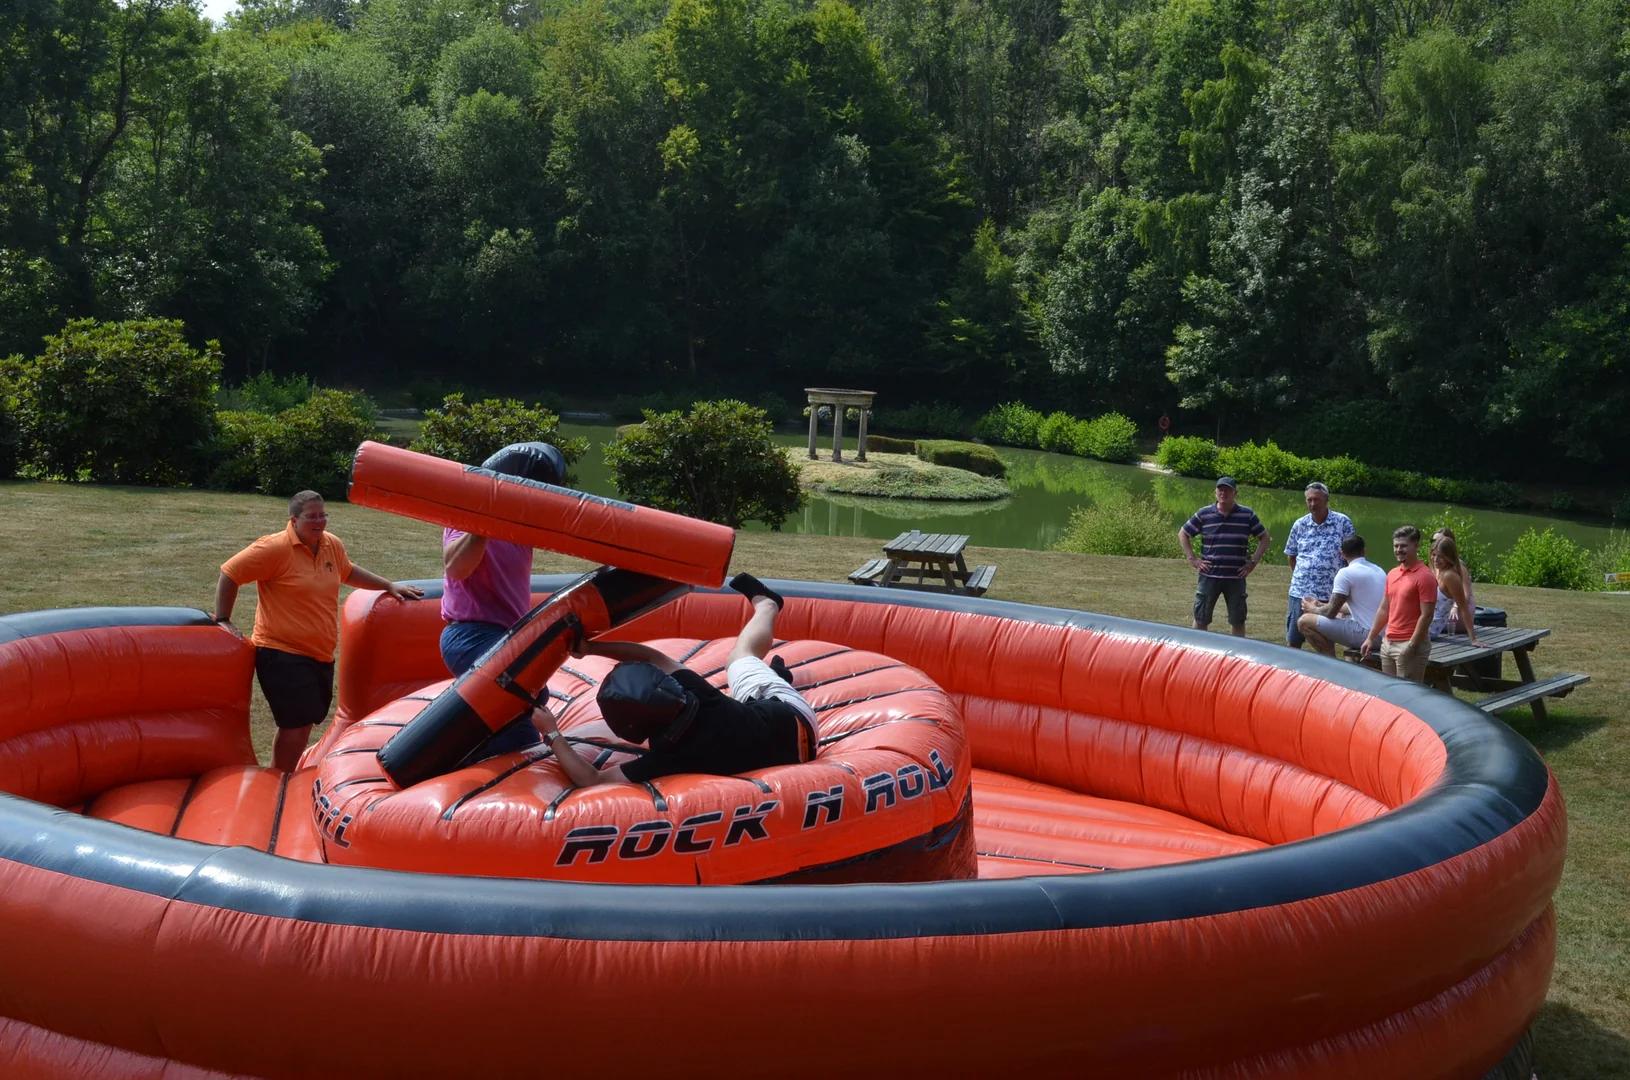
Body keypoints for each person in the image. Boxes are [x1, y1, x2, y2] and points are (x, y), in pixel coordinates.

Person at [539, 573, 817, 787]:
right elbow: (650, 656)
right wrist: (591, 648)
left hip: (789, 733)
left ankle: (770, 609)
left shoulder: (669, 758)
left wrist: (551, 733)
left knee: (741, 665)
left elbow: (591, 779)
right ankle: (767, 612)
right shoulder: (701, 697)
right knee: (739, 659)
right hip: (792, 723)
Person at [216, 490, 424, 771]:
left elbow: (347, 571)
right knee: (295, 725)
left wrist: (388, 585)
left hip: (320, 653)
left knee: (305, 723)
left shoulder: (330, 544)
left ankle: (280, 775)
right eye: (311, 517)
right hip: (281, 651)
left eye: (323, 515)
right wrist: (223, 618)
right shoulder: (273, 548)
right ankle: (280, 780)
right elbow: (230, 573)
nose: (319, 521)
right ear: (294, 520)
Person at [440, 442, 568, 675]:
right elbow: (456, 568)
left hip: (509, 634)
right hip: (471, 636)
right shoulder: (467, 516)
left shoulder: (521, 526)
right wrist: (484, 525)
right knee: (519, 684)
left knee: (534, 686)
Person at [1178, 477, 1271, 637]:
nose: (1223, 493)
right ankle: (1197, 649)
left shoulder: (1247, 515)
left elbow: (1265, 538)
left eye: (1227, 490)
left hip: (1236, 578)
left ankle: (1236, 651)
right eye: (1220, 489)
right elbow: (1183, 533)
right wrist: (1192, 559)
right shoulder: (1204, 513)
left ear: (1235, 493)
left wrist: (1253, 562)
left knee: (1238, 620)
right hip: (1209, 575)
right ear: (1215, 492)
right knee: (1201, 618)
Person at [1282, 481, 1354, 649]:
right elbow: (1292, 555)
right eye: (1309, 500)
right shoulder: (1300, 524)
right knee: (1293, 640)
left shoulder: (1342, 522)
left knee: (1325, 639)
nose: (1313, 504)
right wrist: (1302, 577)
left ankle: (1327, 665)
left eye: (1317, 500)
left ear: (1326, 500)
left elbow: (1351, 557)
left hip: (1329, 593)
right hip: (1300, 592)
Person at [1361, 526, 1437, 682]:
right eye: (1396, 546)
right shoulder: (1392, 574)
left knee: (1409, 694)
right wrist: (1370, 638)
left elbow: (1427, 615)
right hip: (1388, 643)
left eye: (1403, 546)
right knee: (1389, 692)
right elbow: (1384, 609)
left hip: (1410, 644)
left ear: (1416, 546)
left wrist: (1412, 646)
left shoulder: (1425, 577)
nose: (1398, 550)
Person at [1296, 534, 1387, 657]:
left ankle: (1331, 661)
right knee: (1341, 614)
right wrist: (1321, 605)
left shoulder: (1345, 573)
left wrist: (1312, 608)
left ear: (1342, 554)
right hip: (1383, 633)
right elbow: (1357, 606)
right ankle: (1346, 661)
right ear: (1364, 551)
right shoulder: (1378, 570)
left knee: (1304, 621)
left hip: (1369, 636)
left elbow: (1330, 613)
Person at [1428, 533, 1480, 645]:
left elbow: (1464, 608)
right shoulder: (1438, 571)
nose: (1435, 559)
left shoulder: (1450, 576)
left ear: (1449, 557)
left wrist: (1473, 639)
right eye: (1434, 555)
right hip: (1425, 620)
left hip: (1431, 627)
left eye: (1440, 556)